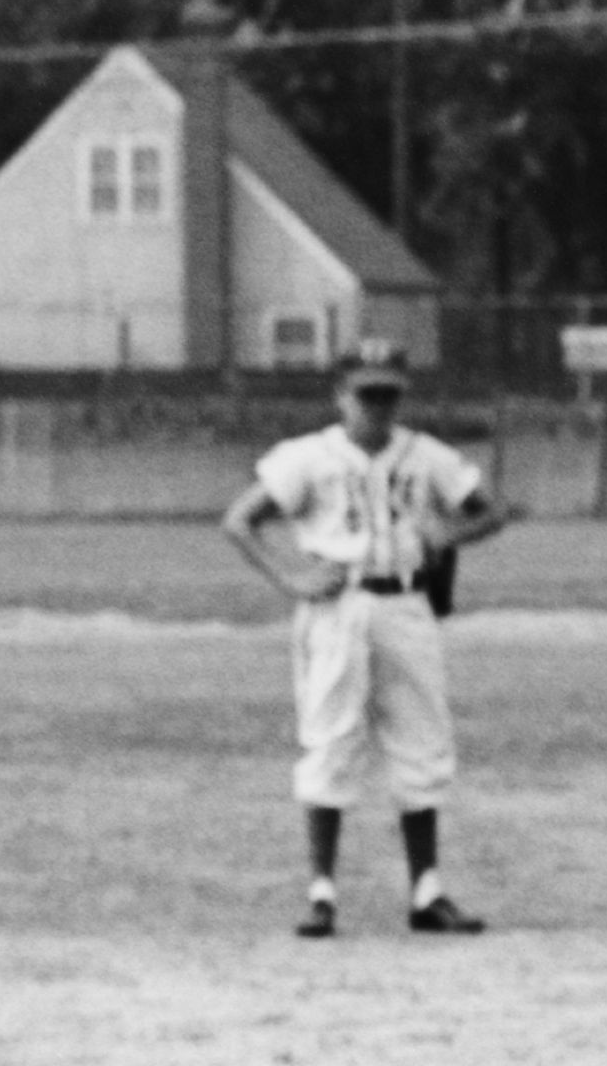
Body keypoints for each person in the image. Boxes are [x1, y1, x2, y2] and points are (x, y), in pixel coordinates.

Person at [220, 341, 513, 937]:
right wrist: (293, 577)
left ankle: (428, 891)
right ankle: (321, 893)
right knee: (330, 737)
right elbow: (240, 519)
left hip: (405, 601)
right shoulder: (310, 457)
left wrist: (446, 535)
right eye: (366, 395)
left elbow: (491, 510)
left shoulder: (425, 455)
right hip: (339, 605)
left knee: (421, 739)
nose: (378, 407)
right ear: (341, 396)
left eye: (388, 395)